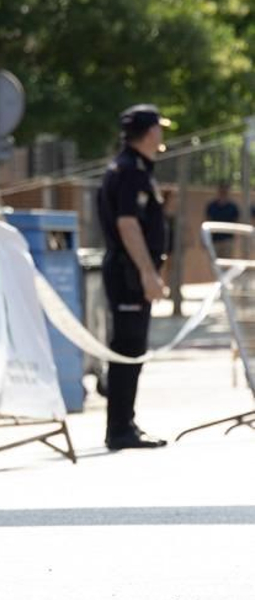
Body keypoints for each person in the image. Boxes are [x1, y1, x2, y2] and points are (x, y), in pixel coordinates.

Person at [96, 103, 172, 451]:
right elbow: (128, 224)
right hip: (128, 273)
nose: (162, 136)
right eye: (159, 129)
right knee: (126, 348)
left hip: (133, 273)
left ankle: (125, 422)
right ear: (149, 132)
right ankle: (119, 429)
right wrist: (146, 273)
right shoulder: (129, 170)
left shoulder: (137, 168)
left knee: (133, 348)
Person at [206, 182, 242, 251]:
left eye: (225, 189)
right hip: (214, 239)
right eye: (222, 189)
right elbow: (207, 220)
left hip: (228, 240)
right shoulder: (212, 205)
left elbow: (237, 222)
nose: (223, 191)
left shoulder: (232, 206)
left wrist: (236, 238)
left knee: (227, 261)